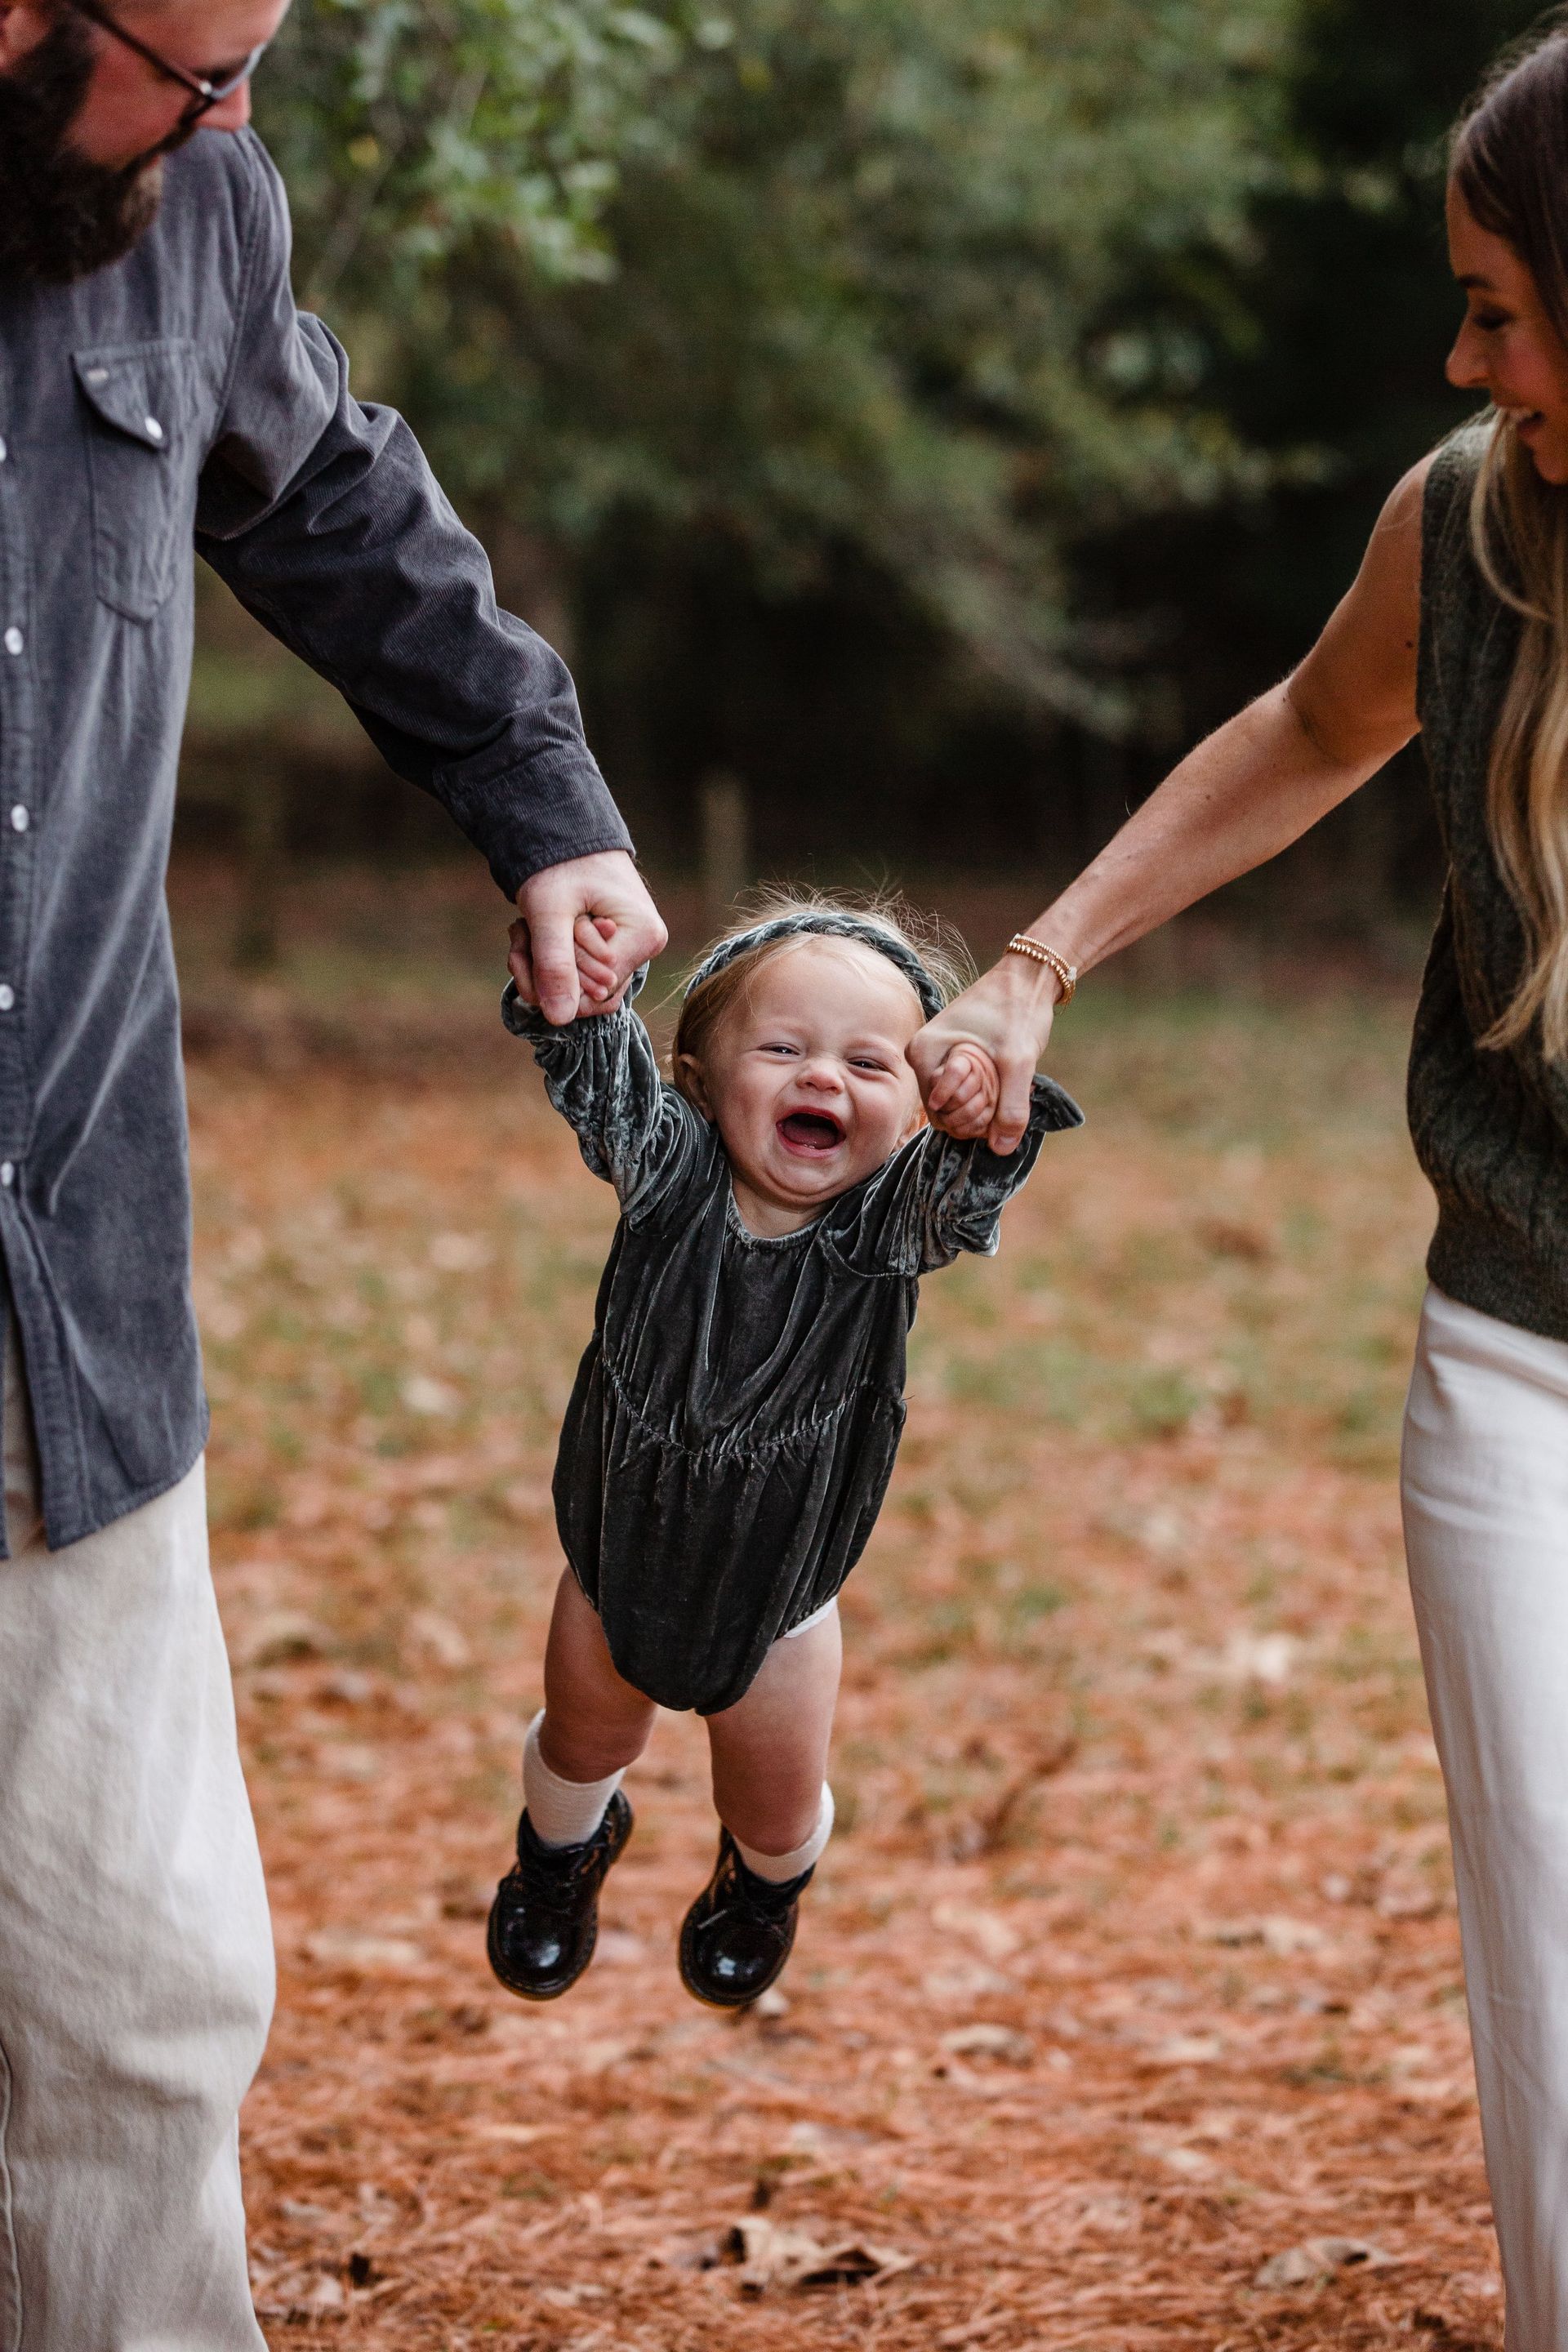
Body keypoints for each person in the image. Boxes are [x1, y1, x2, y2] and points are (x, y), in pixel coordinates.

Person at [0, 0, 662, 2341]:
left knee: (139, 1987)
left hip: (55, 1282)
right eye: (194, 68)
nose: (236, 122)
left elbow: (332, 495)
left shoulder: (193, 211)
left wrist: (542, 793)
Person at [908, 24, 1568, 2349]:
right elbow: (1307, 726)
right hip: (1527, 1336)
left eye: (1501, 302)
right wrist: (1036, 966)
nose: (1462, 352)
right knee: (1556, 1944)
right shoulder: (1473, 521)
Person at [487, 898, 1083, 2008]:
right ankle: (559, 1854)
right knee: (583, 1736)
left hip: (782, 1596)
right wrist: (584, 996)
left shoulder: (886, 1224)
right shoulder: (669, 1175)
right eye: (782, 1048)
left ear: (913, 1112)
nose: (825, 1079)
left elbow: (969, 1185)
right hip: (621, 1558)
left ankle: (760, 1889)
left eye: (872, 1062)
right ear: (704, 1078)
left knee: (769, 1797)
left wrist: (982, 1110)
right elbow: (601, 1076)